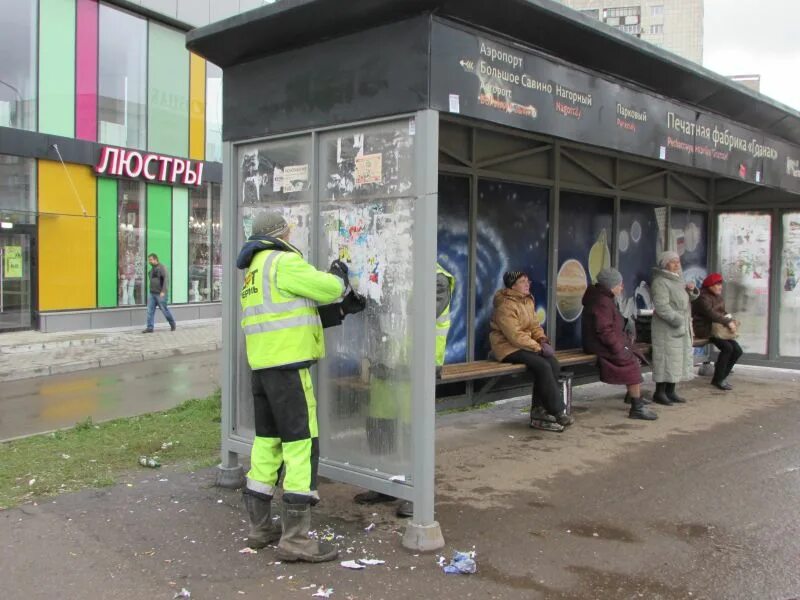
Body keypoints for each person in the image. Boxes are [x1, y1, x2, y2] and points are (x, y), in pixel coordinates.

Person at [237, 210, 365, 563]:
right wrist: (339, 275)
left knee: (267, 444)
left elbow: (287, 317)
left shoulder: (254, 271)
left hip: (263, 370)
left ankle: (260, 528)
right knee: (301, 445)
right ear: (282, 232)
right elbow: (329, 288)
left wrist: (340, 314)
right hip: (289, 371)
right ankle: (296, 539)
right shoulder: (283, 261)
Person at [353, 262, 456, 518]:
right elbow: (374, 313)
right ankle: (385, 482)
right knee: (380, 427)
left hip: (416, 367)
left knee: (414, 432)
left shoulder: (436, 277)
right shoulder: (389, 272)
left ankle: (418, 490)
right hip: (386, 364)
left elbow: (423, 311)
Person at [490, 271, 572, 432]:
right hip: (507, 348)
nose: (527, 284)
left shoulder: (527, 301)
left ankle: (539, 410)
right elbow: (514, 336)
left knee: (553, 363)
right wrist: (538, 348)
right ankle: (556, 411)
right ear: (513, 286)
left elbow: (534, 326)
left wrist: (542, 339)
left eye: (528, 281)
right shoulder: (505, 305)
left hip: (525, 346)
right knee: (542, 365)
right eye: (522, 281)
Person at [582, 268, 658, 420]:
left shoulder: (604, 298)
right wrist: (618, 347)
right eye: (619, 284)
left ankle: (633, 397)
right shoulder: (602, 301)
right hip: (601, 344)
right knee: (630, 361)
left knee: (634, 354)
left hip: (601, 343)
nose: (622, 287)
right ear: (610, 285)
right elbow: (604, 331)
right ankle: (636, 407)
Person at [650, 251, 699, 405]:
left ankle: (671, 391)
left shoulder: (678, 279)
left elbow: (686, 299)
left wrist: (691, 290)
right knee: (666, 358)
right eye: (672, 262)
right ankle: (659, 392)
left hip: (680, 325)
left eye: (678, 261)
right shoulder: (660, 281)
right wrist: (678, 320)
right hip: (666, 327)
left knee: (678, 358)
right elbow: (661, 306)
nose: (677, 264)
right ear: (665, 264)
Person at [692, 273, 742, 391]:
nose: (720, 287)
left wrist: (730, 320)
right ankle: (718, 379)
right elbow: (711, 314)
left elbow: (722, 312)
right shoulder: (702, 297)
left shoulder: (718, 296)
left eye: (720, 284)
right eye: (717, 284)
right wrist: (727, 322)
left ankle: (722, 377)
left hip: (718, 329)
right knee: (728, 348)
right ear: (710, 285)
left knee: (738, 350)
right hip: (705, 329)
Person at [142, 253, 176, 333]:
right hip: (152, 293)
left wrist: (163, 291)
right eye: (149, 260)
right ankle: (150, 328)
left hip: (160, 294)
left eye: (151, 260)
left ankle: (172, 323)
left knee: (164, 310)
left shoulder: (162, 267)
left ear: (155, 259)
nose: (149, 261)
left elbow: (166, 280)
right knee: (150, 311)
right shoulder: (152, 269)